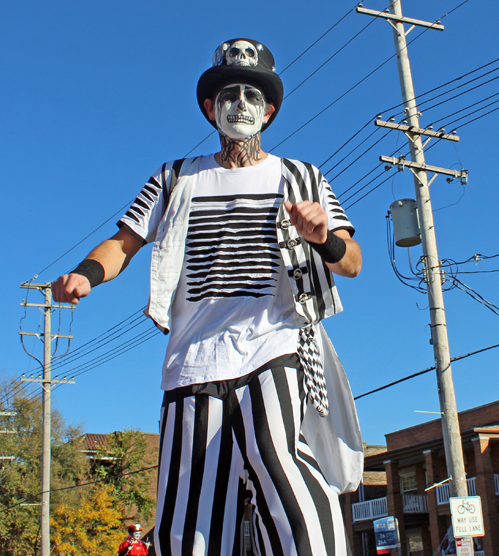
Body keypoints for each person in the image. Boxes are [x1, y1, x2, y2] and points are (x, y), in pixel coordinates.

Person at [53, 38, 363, 556]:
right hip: (192, 363)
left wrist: (324, 237)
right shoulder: (175, 178)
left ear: (269, 112)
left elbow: (351, 261)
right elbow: (124, 241)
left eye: (252, 95)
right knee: (190, 515)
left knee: (284, 470)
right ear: (209, 107)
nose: (240, 104)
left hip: (275, 347)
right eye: (228, 93)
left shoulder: (303, 177)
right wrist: (85, 274)